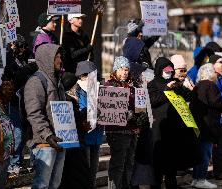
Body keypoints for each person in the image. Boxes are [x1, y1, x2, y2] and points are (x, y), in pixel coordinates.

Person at [148, 57, 200, 189]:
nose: (169, 73)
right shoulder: (152, 84)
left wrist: (193, 90)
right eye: (166, 71)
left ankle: (172, 185)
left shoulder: (175, 83)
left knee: (171, 162)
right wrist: (166, 89)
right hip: (159, 128)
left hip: (174, 128)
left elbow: (187, 97)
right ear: (159, 70)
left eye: (171, 71)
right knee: (159, 162)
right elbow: (153, 100)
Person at [24, 44, 66, 189]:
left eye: (60, 57)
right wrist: (47, 135)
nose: (60, 60)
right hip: (44, 143)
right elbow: (34, 113)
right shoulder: (36, 82)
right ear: (47, 59)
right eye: (57, 57)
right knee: (42, 185)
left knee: (55, 184)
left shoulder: (57, 81)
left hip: (60, 140)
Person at [190, 63, 222, 189]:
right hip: (208, 125)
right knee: (205, 153)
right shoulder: (210, 85)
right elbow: (216, 101)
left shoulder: (197, 86)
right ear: (210, 74)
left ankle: (196, 179)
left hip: (198, 125)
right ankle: (201, 179)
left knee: (199, 153)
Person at [104, 56, 141, 189]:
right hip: (117, 131)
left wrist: (138, 120)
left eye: (127, 69)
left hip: (131, 130)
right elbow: (108, 109)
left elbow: (137, 107)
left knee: (129, 163)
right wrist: (125, 113)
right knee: (118, 164)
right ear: (115, 70)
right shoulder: (109, 86)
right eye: (122, 69)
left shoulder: (131, 87)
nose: (125, 72)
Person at [4, 34, 38, 175]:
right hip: (14, 101)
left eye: (25, 46)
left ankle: (19, 161)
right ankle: (13, 163)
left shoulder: (23, 58)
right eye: (21, 46)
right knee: (16, 133)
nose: (24, 49)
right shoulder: (9, 58)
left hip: (24, 101)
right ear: (14, 46)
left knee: (23, 134)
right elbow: (14, 75)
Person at [59, 72, 93, 189]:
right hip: (74, 147)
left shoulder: (65, 99)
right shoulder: (68, 101)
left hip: (71, 145)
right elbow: (73, 123)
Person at [74, 61, 104, 189]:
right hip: (84, 135)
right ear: (80, 76)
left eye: (90, 74)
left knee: (94, 168)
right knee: (84, 167)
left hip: (97, 134)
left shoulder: (101, 88)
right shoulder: (77, 90)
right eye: (85, 75)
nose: (87, 78)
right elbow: (79, 109)